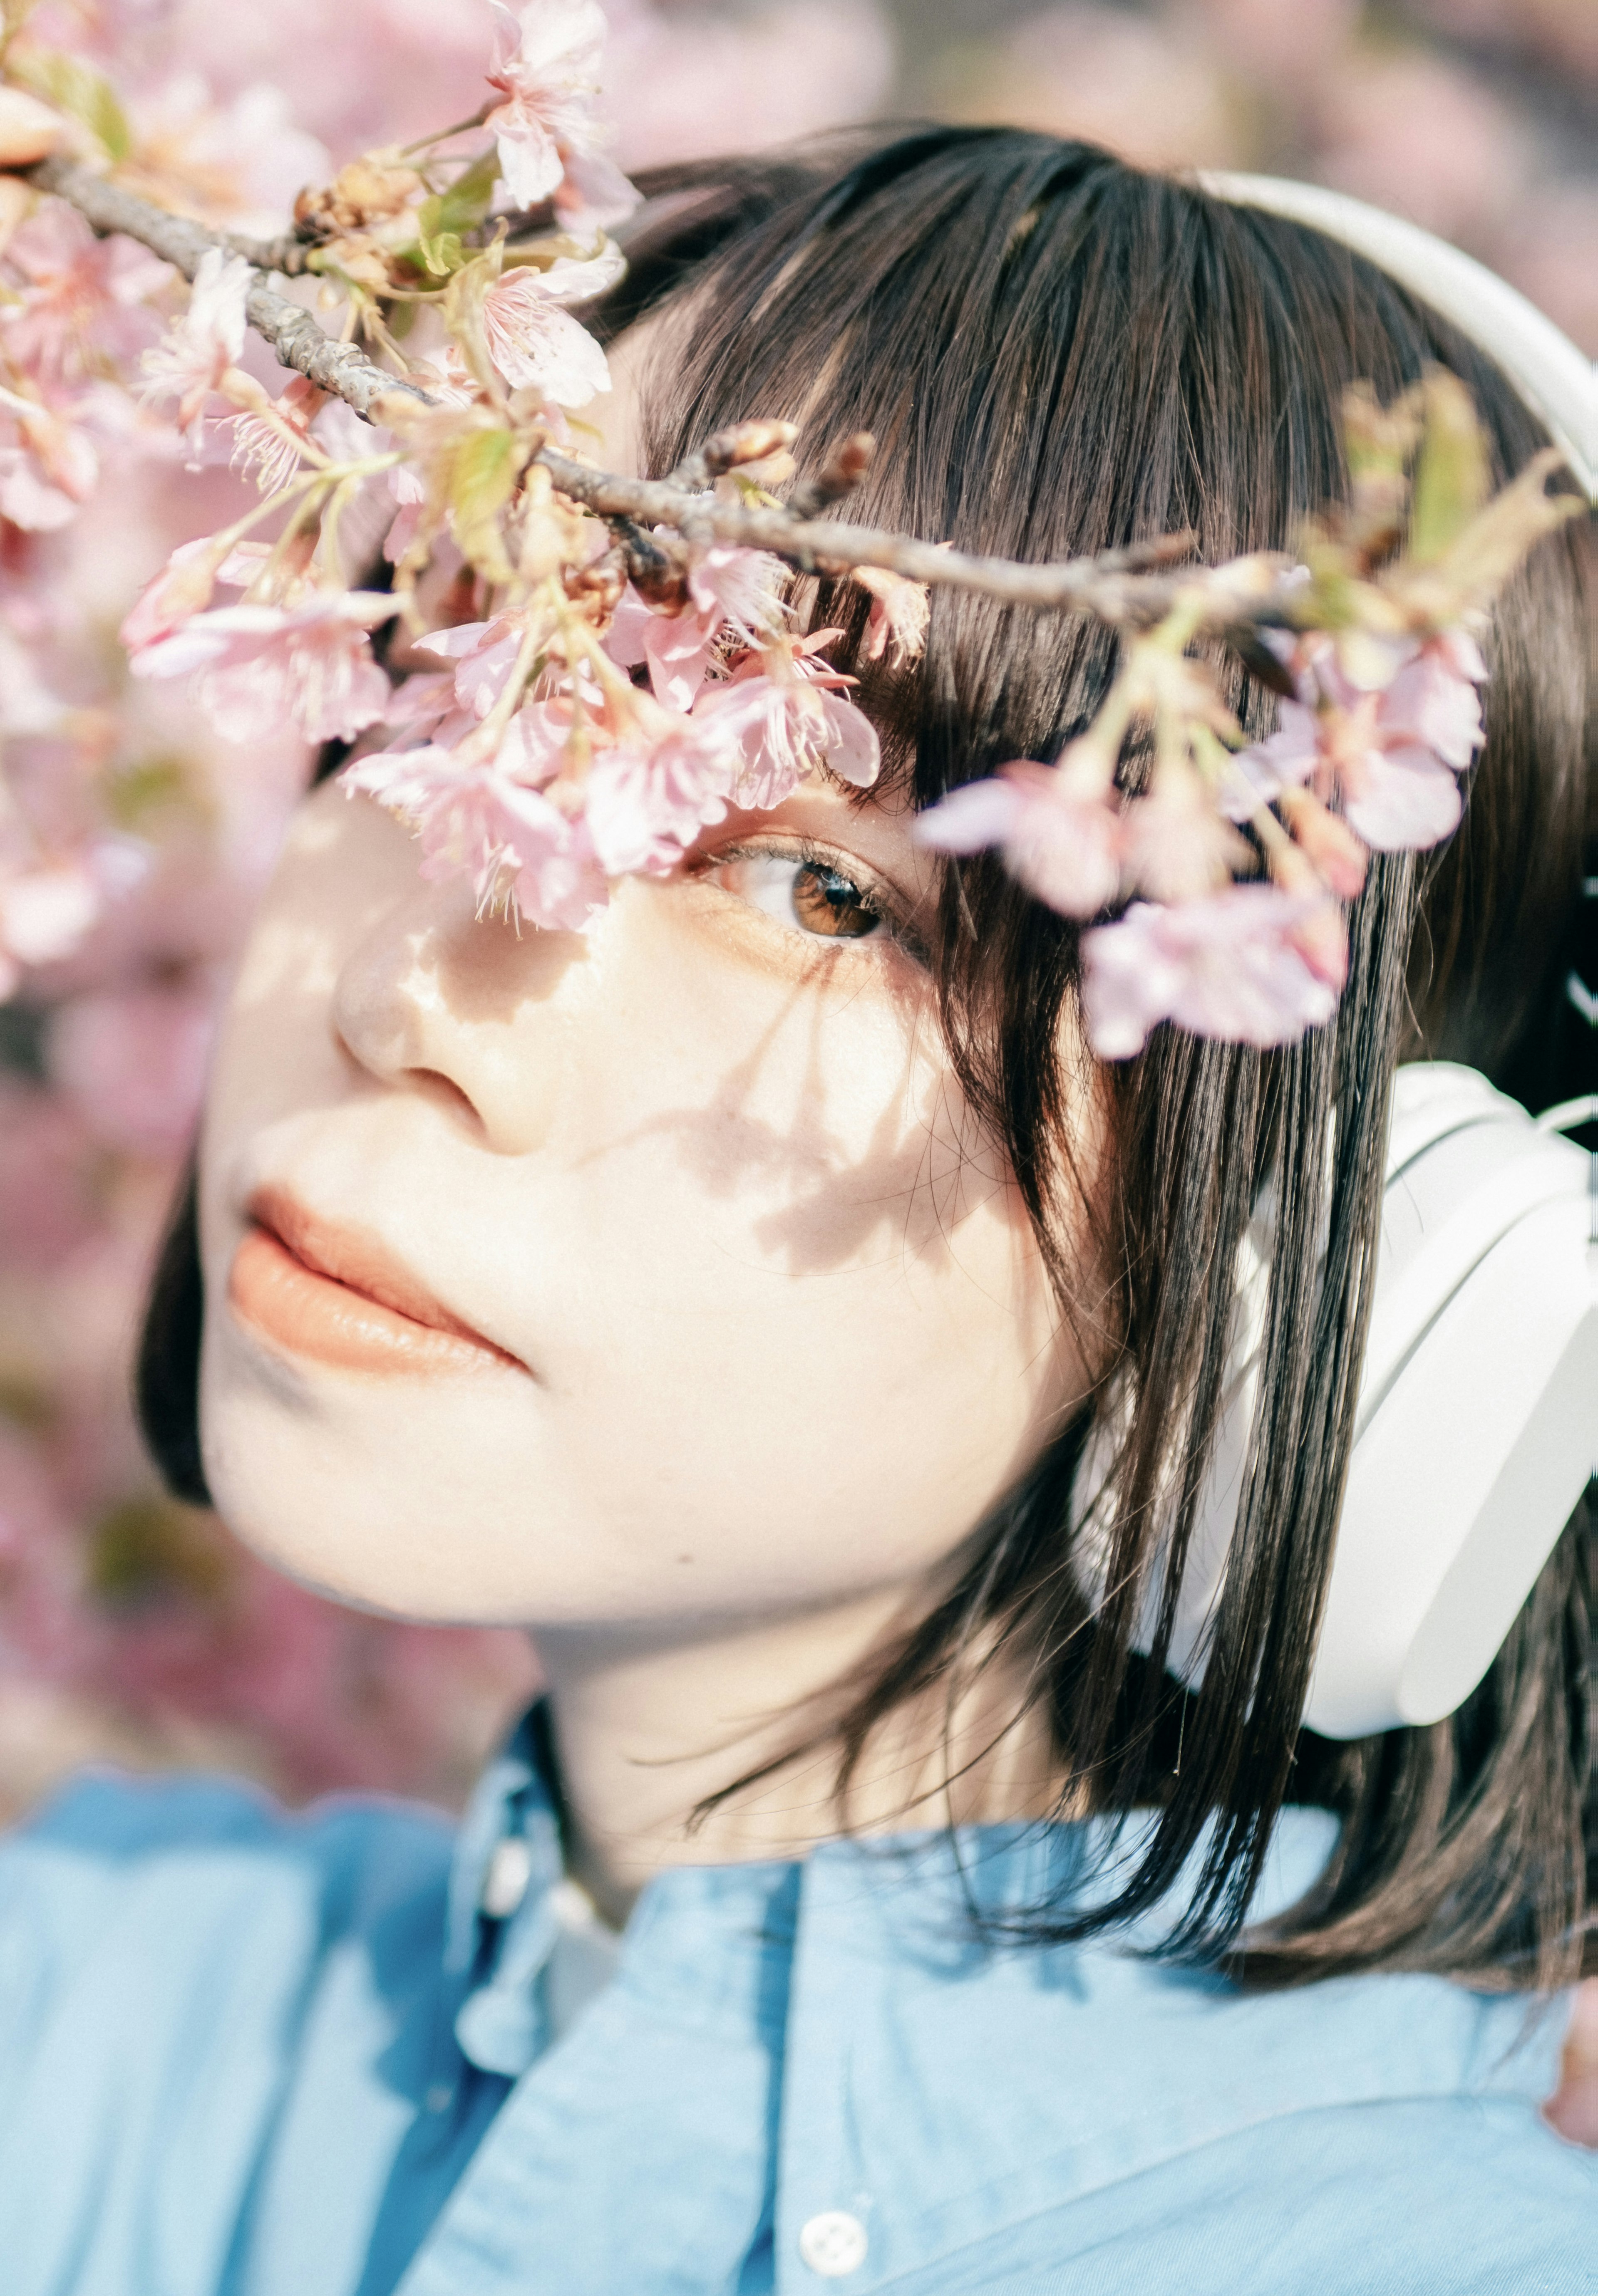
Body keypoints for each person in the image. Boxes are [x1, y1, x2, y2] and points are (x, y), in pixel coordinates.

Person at [0, 127, 1592, 2294]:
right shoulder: (104, 2031)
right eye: (450, 679)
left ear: (1353, 1238)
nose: (421, 995)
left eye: (824, 887)